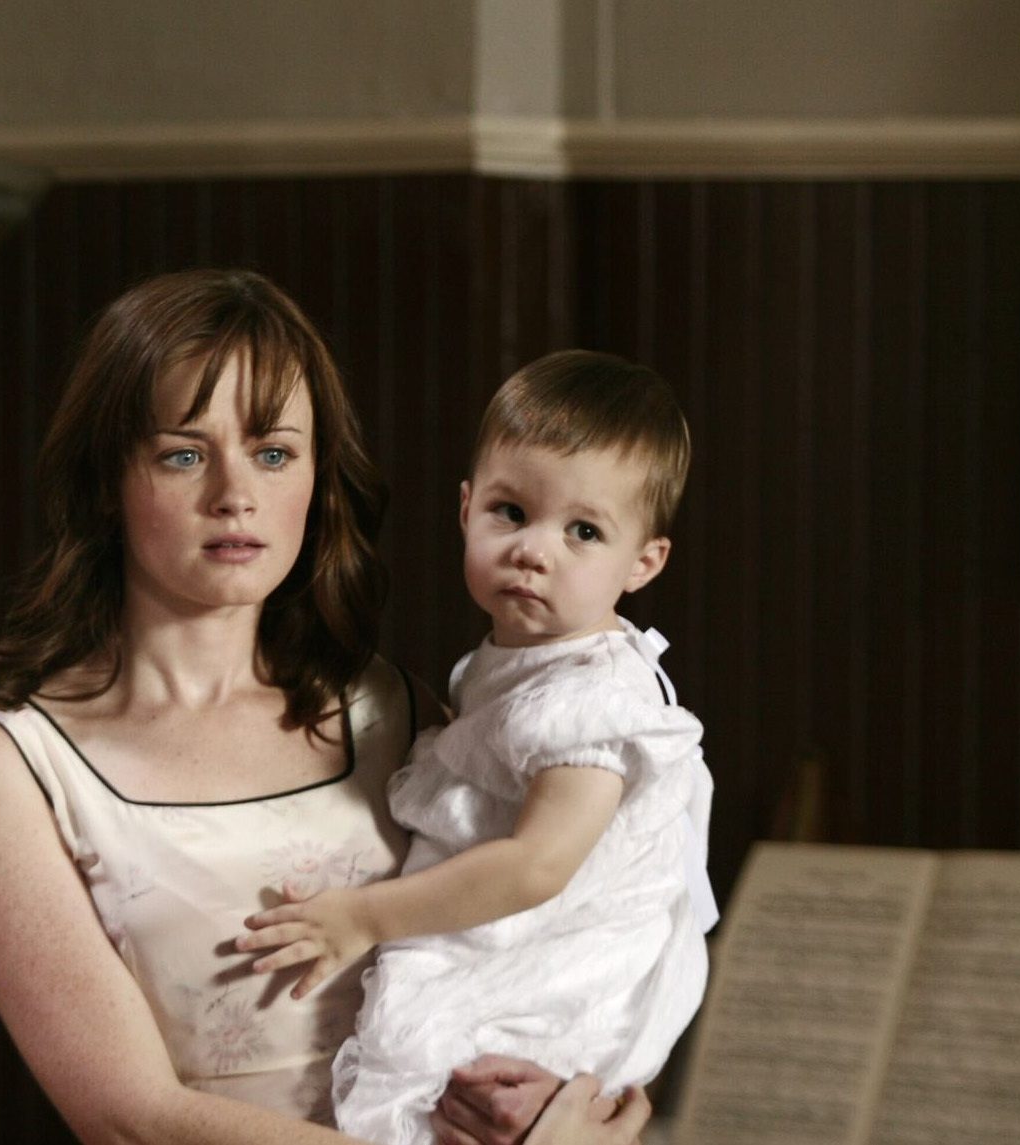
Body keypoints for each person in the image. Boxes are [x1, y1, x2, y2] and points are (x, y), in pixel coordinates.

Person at [0, 270, 650, 1145]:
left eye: (273, 453)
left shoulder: (391, 707)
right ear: (105, 479)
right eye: (183, 454)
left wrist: (572, 1099)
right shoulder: (3, 762)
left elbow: (536, 942)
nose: (234, 493)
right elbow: (132, 1117)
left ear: (317, 476)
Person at [238, 350, 715, 1144]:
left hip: (556, 985)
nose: (535, 549)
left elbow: (537, 865)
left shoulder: (594, 697)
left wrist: (363, 916)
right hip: (509, 941)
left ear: (644, 561)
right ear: (466, 508)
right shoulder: (509, 665)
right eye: (511, 511)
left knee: (424, 1081)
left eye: (584, 531)